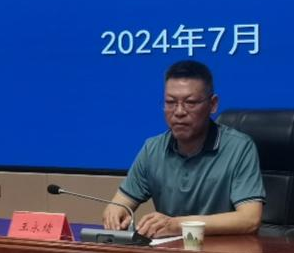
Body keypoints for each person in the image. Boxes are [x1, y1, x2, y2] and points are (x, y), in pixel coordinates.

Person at [102, 59, 264, 238]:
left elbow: (250, 219)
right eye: (170, 102)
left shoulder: (239, 147)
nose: (179, 112)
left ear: (213, 104)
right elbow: (119, 204)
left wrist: (177, 225)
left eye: (190, 102)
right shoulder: (152, 149)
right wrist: (115, 215)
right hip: (170, 251)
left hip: (222, 251)